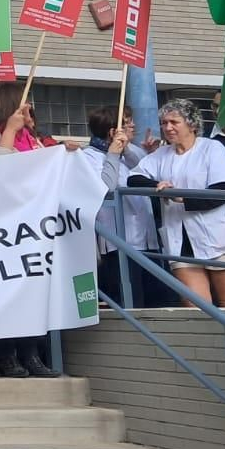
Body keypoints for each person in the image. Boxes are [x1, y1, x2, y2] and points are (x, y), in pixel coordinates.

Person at [0, 84, 59, 378]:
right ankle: (5, 355)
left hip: (30, 225)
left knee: (30, 292)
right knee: (4, 293)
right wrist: (10, 130)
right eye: (25, 102)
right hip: (1, 226)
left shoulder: (31, 137)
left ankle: (31, 354)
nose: (30, 108)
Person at [128, 99, 225, 308]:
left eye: (174, 122)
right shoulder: (161, 154)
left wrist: (182, 198)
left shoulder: (212, 148)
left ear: (192, 124)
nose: (168, 127)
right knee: (195, 307)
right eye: (164, 123)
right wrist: (158, 184)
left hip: (221, 237)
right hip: (180, 239)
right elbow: (134, 178)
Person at [86, 106, 153, 310]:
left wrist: (127, 150)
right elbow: (106, 187)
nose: (133, 125)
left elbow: (146, 169)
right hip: (117, 242)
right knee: (131, 303)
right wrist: (113, 155)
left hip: (146, 240)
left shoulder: (130, 152)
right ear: (112, 131)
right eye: (127, 122)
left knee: (153, 301)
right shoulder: (88, 156)